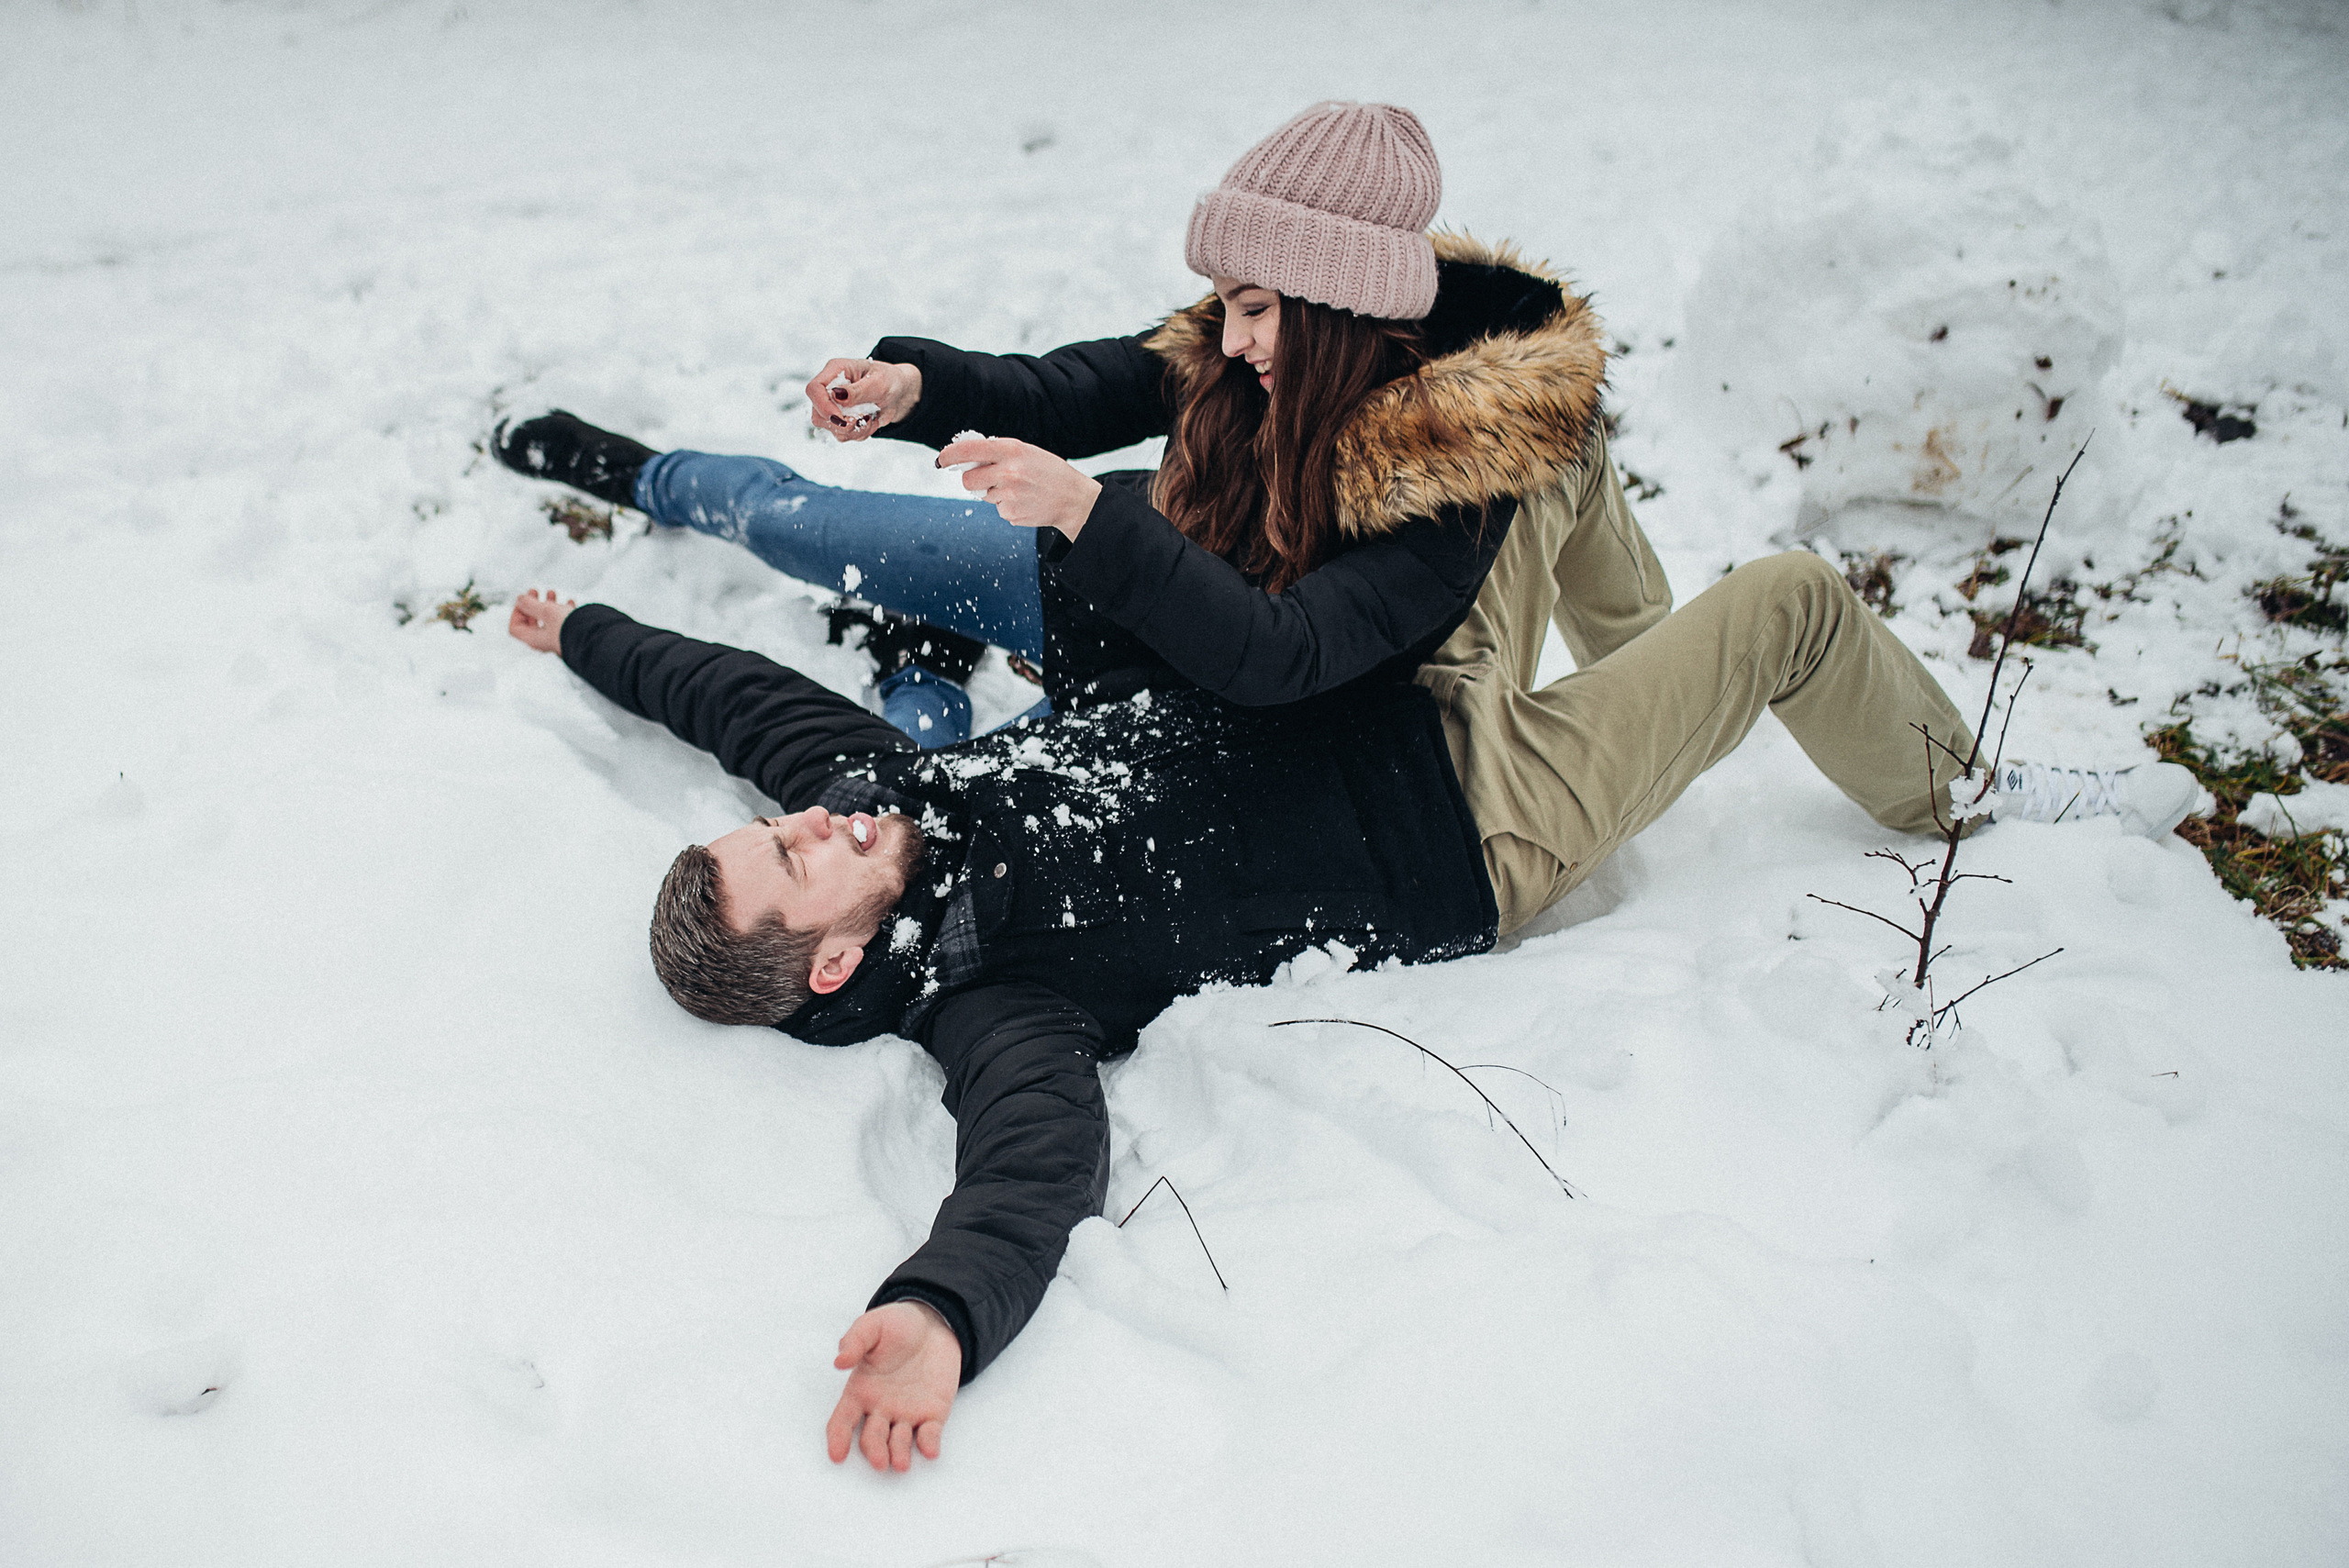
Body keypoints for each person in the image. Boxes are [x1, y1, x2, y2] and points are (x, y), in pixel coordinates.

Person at [502, 553, 2198, 1473]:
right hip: (1478, 816)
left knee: (1546, 445)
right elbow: (1029, 1161)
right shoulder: (1001, 997)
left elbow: (734, 698)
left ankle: (1680, 678)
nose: (811, 815)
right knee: (1796, 602)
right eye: (794, 857)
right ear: (826, 963)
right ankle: (1960, 797)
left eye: (782, 820)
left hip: (1397, 691)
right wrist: (942, 1309)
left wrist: (583, 623)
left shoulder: (878, 799)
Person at [494, 101, 1664, 770]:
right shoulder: (1246, 349)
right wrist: (918, 387)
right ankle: (636, 469)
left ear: (1341, 305)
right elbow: (1077, 389)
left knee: (933, 795)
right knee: (803, 520)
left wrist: (1092, 515)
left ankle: (919, 670)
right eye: (1229, 301)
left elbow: (1280, 655)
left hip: (1182, 684)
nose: (1233, 334)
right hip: (1089, 566)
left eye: (1257, 308)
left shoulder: (1450, 477)